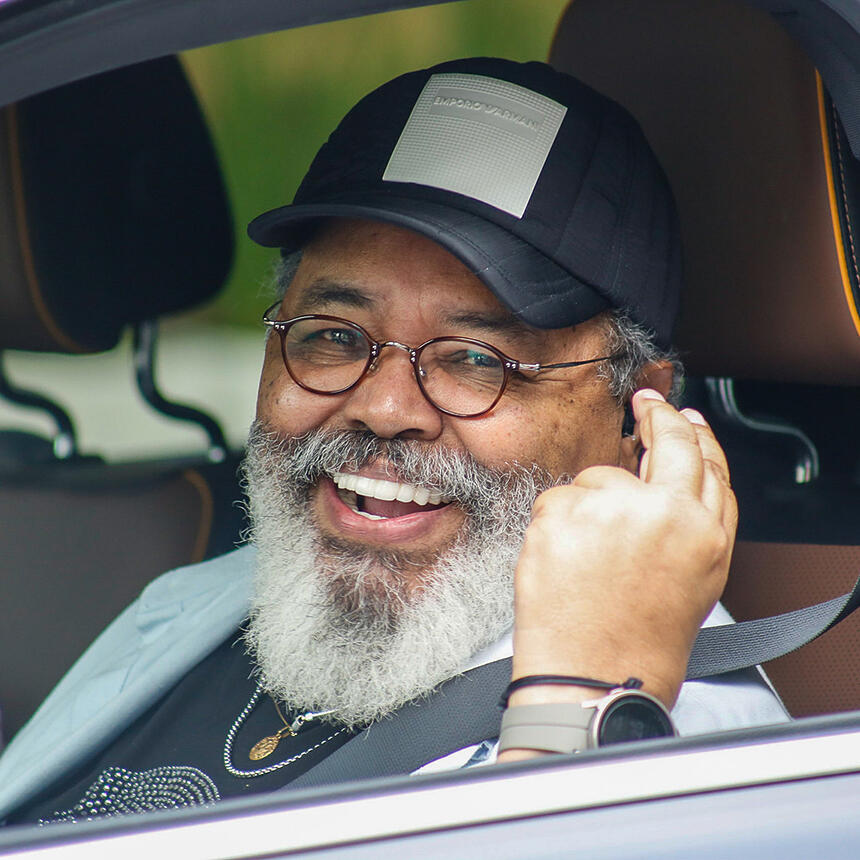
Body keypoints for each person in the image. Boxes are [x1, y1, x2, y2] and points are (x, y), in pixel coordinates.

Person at [0, 57, 787, 825]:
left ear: (635, 412)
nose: (382, 407)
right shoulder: (197, 604)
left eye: (478, 360)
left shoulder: (678, 750)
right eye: (335, 336)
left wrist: (580, 697)